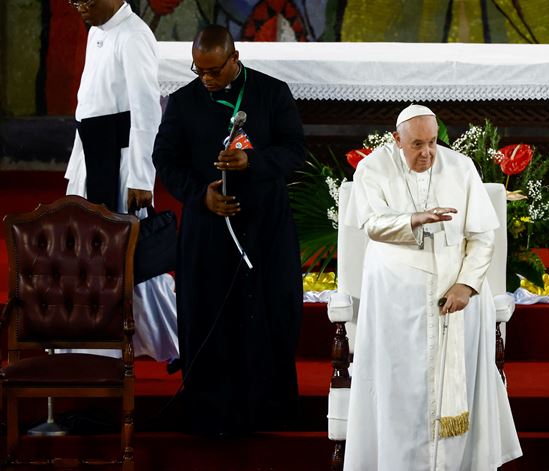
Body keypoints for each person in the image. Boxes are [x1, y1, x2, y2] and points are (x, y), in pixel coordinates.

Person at [343, 104, 522, 470]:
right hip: (396, 303)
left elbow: (483, 236)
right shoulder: (372, 168)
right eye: (417, 145)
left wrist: (467, 285)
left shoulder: (460, 167)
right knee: (403, 392)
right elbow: (374, 223)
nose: (427, 153)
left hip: (455, 300)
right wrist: (414, 219)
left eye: (433, 143)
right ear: (397, 140)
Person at [151, 25, 305, 435]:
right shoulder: (183, 102)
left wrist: (252, 164)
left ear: (235, 58)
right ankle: (209, 411)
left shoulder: (272, 93)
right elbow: (165, 159)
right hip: (207, 228)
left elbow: (294, 150)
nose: (206, 79)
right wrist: (199, 196)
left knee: (269, 310)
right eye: (199, 70)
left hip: (264, 225)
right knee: (208, 315)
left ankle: (267, 409)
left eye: (214, 71)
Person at [63, 0, 178, 363]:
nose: (79, 7)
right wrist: (75, 170)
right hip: (93, 159)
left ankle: (177, 342)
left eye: (86, 0)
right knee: (92, 252)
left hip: (121, 164)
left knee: (134, 258)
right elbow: (89, 108)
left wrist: (143, 176)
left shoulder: (133, 36)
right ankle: (93, 347)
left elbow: (147, 108)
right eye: (74, 0)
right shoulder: (97, 31)